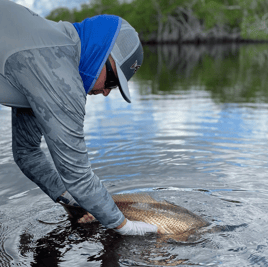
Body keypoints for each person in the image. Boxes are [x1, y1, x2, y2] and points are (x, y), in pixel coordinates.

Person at [0, 0, 161, 235]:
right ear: (100, 53)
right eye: (112, 81)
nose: (106, 92)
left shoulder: (49, 50)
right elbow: (78, 175)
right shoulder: (59, 71)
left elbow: (27, 152)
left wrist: (70, 201)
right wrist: (125, 226)